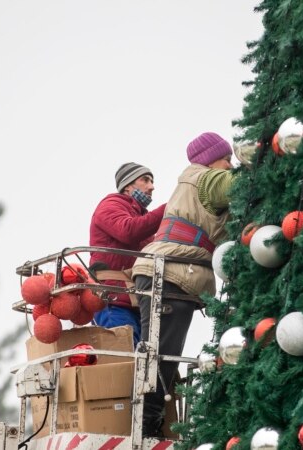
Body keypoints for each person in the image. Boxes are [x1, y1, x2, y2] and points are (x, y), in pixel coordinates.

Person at [132, 132, 234, 437]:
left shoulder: (193, 181)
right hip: (173, 273)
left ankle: (149, 420)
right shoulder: (205, 179)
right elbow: (240, 186)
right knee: (161, 353)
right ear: (211, 160)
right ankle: (147, 426)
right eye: (227, 158)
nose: (232, 165)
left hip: (169, 271)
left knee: (160, 351)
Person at [89, 162, 166, 345]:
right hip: (112, 301)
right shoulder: (111, 204)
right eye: (145, 180)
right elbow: (128, 231)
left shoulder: (140, 216)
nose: (151, 187)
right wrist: (168, 209)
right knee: (123, 359)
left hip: (135, 303)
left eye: (152, 181)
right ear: (128, 185)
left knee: (140, 364)